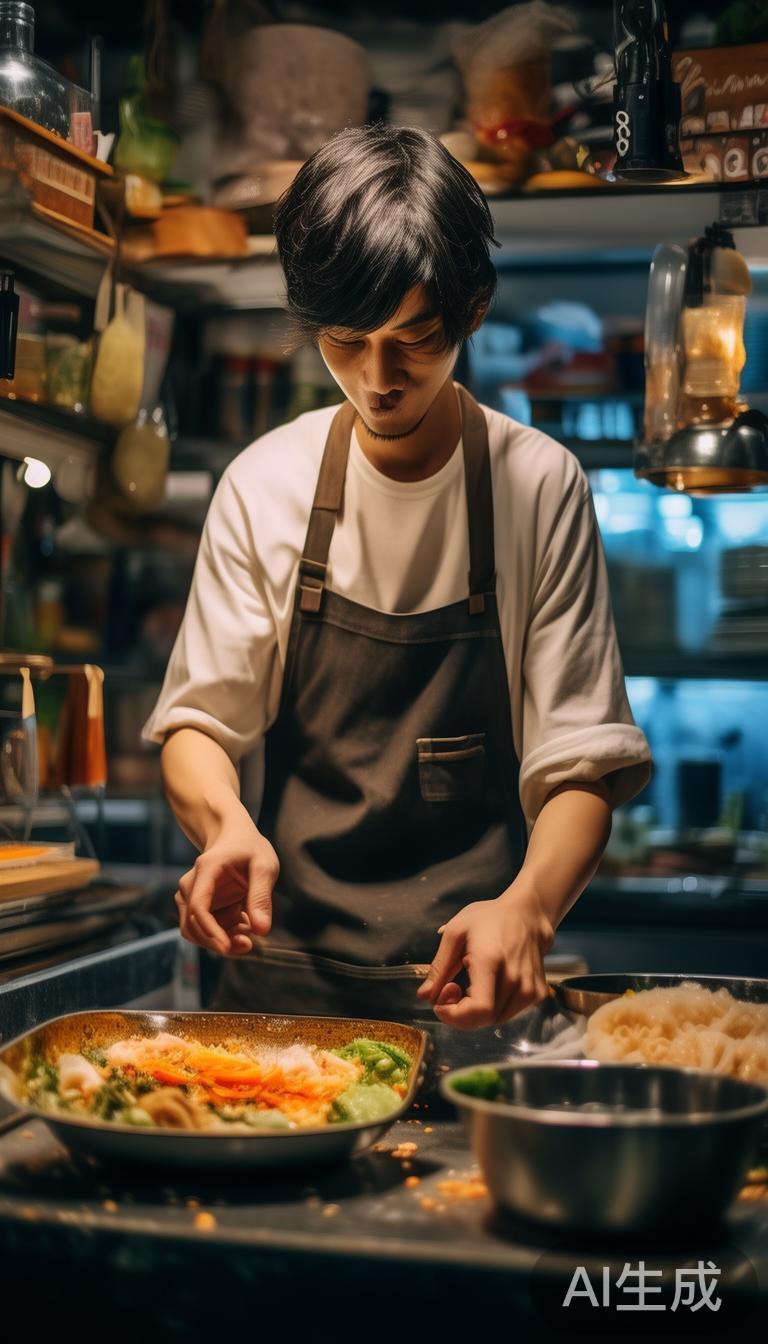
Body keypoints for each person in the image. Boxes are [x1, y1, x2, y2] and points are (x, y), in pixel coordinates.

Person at [142, 124, 652, 1029]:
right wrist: (225, 826)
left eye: (415, 338)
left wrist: (528, 909)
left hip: (473, 999)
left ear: (473, 310)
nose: (379, 379)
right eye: (346, 339)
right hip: (279, 1002)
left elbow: (581, 762)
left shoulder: (539, 485)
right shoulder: (266, 483)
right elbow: (198, 723)